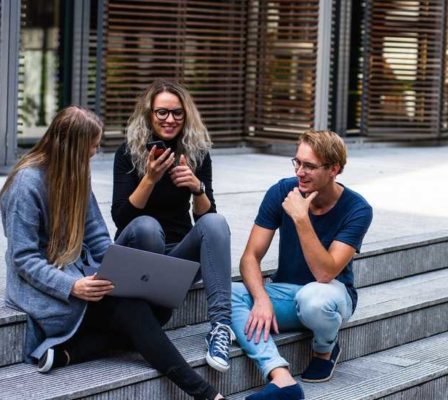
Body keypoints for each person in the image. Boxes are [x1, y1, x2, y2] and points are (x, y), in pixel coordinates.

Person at [0, 106, 226, 400]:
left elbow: (97, 237)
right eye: (92, 146)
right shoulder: (25, 184)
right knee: (133, 311)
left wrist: (120, 271)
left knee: (157, 307)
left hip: (83, 278)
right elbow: (23, 258)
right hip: (47, 290)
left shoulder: (76, 175)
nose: (95, 152)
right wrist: (73, 286)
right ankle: (205, 394)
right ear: (72, 146)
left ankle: (72, 352)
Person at [231, 130, 373, 399]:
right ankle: (280, 377)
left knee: (314, 298)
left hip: (330, 295)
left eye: (309, 166)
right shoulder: (282, 190)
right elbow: (250, 256)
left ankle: (325, 349)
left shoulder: (358, 209)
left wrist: (301, 218)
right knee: (226, 294)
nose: (300, 172)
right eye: (297, 162)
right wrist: (261, 298)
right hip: (286, 293)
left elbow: (325, 272)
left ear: (334, 169)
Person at [111, 79, 234, 372]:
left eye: (177, 113)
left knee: (216, 222)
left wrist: (197, 188)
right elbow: (122, 218)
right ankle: (147, 318)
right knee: (147, 227)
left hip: (177, 259)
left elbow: (207, 221)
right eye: (162, 112)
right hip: (138, 254)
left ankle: (220, 328)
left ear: (186, 115)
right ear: (149, 115)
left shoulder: (196, 153)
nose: (169, 120)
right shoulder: (127, 153)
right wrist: (150, 178)